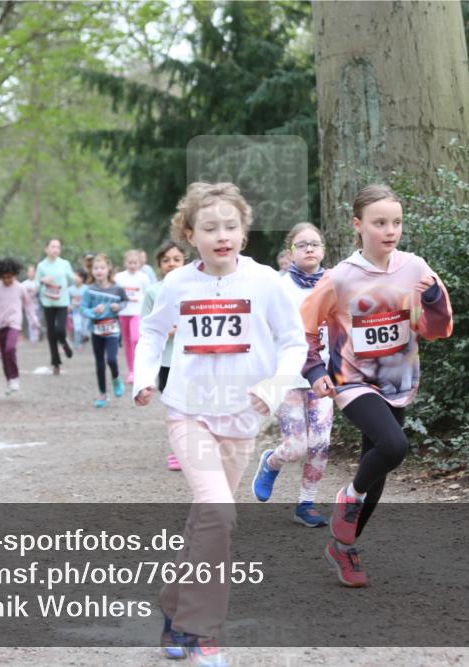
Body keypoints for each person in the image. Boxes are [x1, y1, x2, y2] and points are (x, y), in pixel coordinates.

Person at [133, 182, 305, 665]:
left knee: (208, 524)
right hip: (188, 412)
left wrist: (272, 389)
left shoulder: (266, 282)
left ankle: (173, 608)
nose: (222, 235)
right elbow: (151, 332)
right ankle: (201, 630)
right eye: (210, 227)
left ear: (244, 234)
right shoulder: (177, 284)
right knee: (220, 515)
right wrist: (144, 377)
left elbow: (294, 343)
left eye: (231, 226)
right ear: (190, 234)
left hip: (242, 418)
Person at [301, 184, 453, 587]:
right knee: (394, 446)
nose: (390, 230)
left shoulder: (416, 269)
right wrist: (315, 369)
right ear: (358, 225)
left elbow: (436, 329)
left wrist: (435, 300)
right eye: (379, 222)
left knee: (380, 467)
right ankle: (347, 497)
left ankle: (343, 548)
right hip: (352, 381)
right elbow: (302, 326)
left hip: (399, 381)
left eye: (397, 222)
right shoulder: (340, 278)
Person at [251, 223, 335, 527]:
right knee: (296, 446)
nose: (309, 249)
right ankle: (271, 462)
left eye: (315, 243)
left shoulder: (334, 283)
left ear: (323, 249)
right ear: (291, 252)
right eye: (302, 245)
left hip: (324, 378)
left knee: (321, 443)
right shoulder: (279, 286)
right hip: (287, 376)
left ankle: (306, 504)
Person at [140, 240, 187, 471]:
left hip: (193, 358)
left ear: (184, 262)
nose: (171, 264)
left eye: (176, 259)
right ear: (159, 264)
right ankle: (177, 450)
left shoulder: (194, 288)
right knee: (175, 407)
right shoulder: (152, 292)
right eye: (166, 260)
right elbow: (147, 326)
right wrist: (167, 331)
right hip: (166, 360)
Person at [81, 254, 128, 408]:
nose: (99, 271)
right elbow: (83, 308)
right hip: (97, 331)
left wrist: (118, 307)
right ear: (92, 271)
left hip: (113, 330)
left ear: (108, 270)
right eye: (96, 268)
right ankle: (102, 394)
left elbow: (124, 301)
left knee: (112, 360)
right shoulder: (90, 291)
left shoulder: (117, 289)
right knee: (100, 364)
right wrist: (93, 311)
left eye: (102, 268)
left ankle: (116, 378)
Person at [0, 258, 36, 395]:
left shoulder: (20, 288)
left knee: (10, 348)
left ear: (15, 274)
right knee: (4, 354)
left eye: (10, 277)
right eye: (4, 277)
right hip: (1, 324)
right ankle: (9, 380)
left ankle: (15, 377)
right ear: (0, 276)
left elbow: (28, 304)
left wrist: (34, 320)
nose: (7, 280)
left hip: (15, 323)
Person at [35, 238, 76, 375]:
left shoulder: (65, 264)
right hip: (47, 302)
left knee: (60, 330)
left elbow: (71, 280)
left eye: (58, 247)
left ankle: (64, 343)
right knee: (51, 333)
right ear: (46, 249)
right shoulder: (41, 266)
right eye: (52, 247)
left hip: (62, 302)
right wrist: (43, 281)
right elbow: (36, 285)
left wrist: (67, 284)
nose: (55, 250)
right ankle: (56, 363)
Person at [114, 249, 151, 384]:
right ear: (125, 263)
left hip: (137, 312)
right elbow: (115, 293)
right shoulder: (119, 277)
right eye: (130, 262)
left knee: (135, 338)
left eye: (135, 263)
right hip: (123, 312)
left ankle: (139, 366)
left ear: (139, 263)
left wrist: (139, 298)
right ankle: (132, 371)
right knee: (127, 342)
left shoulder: (143, 277)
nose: (132, 265)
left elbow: (148, 294)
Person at [68, 268, 89, 352]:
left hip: (85, 313)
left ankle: (83, 341)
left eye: (78, 276)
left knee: (85, 331)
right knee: (77, 329)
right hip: (75, 312)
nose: (76, 278)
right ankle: (77, 345)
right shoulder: (70, 289)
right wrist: (69, 305)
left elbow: (89, 301)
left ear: (82, 278)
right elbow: (66, 300)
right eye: (74, 276)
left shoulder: (87, 289)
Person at [21, 264, 43, 343]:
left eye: (33, 271)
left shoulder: (39, 283)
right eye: (29, 271)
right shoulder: (23, 284)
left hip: (38, 305)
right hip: (28, 306)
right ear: (27, 273)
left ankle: (38, 336)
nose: (31, 273)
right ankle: (33, 338)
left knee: (37, 321)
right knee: (31, 321)